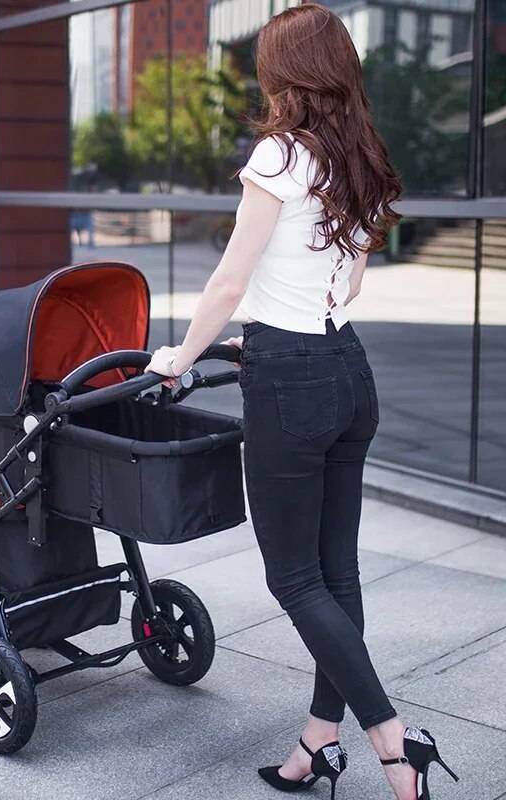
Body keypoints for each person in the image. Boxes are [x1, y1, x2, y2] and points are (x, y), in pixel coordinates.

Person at [144, 5, 459, 800]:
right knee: (335, 571)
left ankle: (391, 740)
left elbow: (229, 279)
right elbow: (347, 282)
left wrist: (180, 355)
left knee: (294, 578)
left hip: (291, 379)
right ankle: (318, 742)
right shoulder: (358, 154)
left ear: (282, 72)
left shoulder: (280, 154)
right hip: (349, 370)